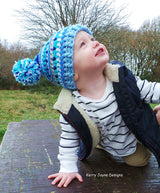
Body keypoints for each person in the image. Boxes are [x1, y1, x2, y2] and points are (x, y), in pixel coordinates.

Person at [12, 24, 160, 188]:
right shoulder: (71, 107)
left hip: (132, 133)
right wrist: (67, 168)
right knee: (104, 148)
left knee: (139, 161)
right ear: (72, 73)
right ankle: (98, 140)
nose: (95, 43)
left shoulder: (121, 78)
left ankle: (154, 120)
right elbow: (68, 140)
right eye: (83, 44)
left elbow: (150, 89)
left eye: (92, 39)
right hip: (107, 140)